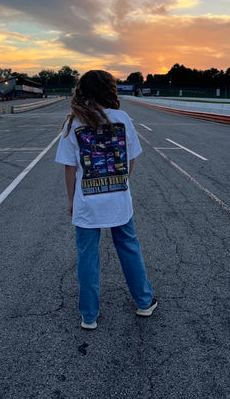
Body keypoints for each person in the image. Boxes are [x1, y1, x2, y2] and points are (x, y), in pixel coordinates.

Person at [55, 70, 157, 330]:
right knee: (128, 247)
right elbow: (131, 159)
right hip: (118, 199)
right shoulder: (122, 119)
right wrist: (120, 182)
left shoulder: (73, 123)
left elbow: (69, 167)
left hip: (87, 201)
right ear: (109, 90)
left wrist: (71, 200)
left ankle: (89, 315)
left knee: (87, 256)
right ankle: (144, 302)